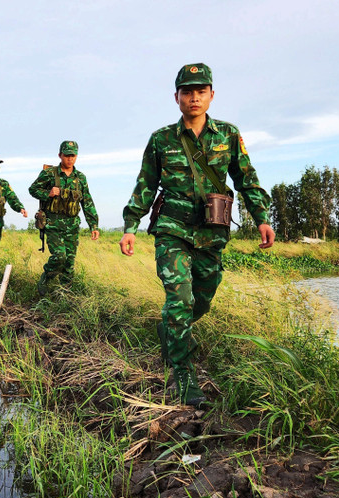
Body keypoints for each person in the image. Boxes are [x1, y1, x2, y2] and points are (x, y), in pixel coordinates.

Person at [118, 63, 275, 407]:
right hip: (172, 230)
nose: (194, 97)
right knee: (179, 301)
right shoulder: (161, 139)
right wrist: (130, 226)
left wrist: (262, 218)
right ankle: (184, 375)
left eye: (200, 91)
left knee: (202, 300)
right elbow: (145, 184)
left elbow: (246, 179)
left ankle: (170, 330)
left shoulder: (228, 135)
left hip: (211, 233)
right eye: (187, 92)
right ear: (176, 97)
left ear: (211, 95)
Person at [28, 140, 99, 296]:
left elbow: (87, 202)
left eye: (73, 155)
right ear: (60, 155)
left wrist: (93, 225)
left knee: (69, 262)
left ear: (76, 156)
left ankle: (65, 293)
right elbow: (32, 189)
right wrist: (47, 193)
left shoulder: (80, 178)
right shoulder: (49, 173)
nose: (70, 159)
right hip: (53, 223)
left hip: (72, 225)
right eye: (67, 155)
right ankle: (47, 276)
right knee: (60, 256)